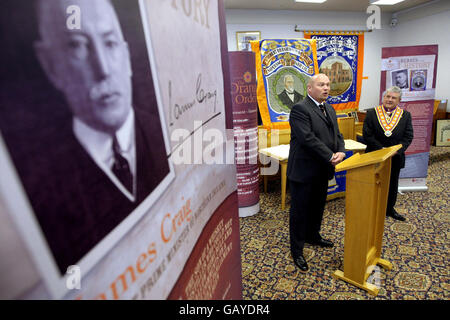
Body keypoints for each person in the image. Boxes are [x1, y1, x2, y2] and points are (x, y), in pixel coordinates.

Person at [22, 0, 170, 273]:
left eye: (110, 43)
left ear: (126, 57)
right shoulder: (39, 190)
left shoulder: (169, 139)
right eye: (78, 46)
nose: (102, 68)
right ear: (51, 65)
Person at [287, 73, 346, 273]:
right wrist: (330, 155)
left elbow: (337, 134)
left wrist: (341, 151)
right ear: (309, 88)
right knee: (299, 212)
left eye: (328, 84)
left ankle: (313, 235)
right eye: (321, 84)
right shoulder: (300, 109)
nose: (326, 88)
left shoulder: (329, 107)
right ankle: (297, 250)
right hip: (304, 170)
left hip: (322, 169)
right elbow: (307, 138)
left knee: (318, 207)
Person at [363, 86, 414, 221]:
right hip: (374, 155)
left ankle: (389, 208)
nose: (389, 100)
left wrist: (395, 151)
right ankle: (372, 207)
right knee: (373, 182)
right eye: (387, 97)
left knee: (392, 183)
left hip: (395, 157)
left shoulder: (405, 115)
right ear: (383, 97)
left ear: (399, 101)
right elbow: (367, 135)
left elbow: (408, 137)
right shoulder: (372, 113)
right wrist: (382, 150)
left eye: (393, 98)